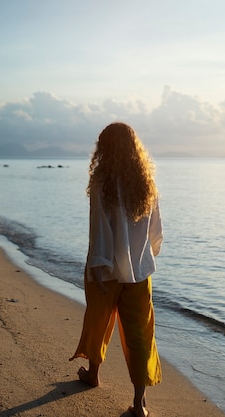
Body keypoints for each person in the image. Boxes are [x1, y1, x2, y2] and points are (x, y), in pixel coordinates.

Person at [70, 122, 163, 417]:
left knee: (99, 321)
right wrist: (146, 255)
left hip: (106, 268)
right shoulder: (145, 180)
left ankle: (94, 374)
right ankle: (138, 403)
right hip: (139, 272)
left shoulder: (101, 180)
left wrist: (99, 264)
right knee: (140, 335)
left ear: (104, 148)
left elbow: (99, 226)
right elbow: (155, 229)